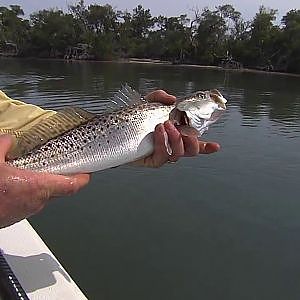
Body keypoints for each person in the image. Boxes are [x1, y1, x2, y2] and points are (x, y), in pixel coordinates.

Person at [0, 89, 220, 228]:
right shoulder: (166, 114)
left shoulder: (165, 116)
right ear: (186, 106)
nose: (210, 98)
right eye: (201, 96)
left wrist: (123, 150)